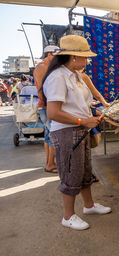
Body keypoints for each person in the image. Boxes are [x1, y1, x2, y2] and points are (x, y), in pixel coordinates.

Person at [42, 35, 111, 230]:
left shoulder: (76, 75)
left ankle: (88, 206)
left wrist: (93, 113)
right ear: (73, 57)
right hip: (67, 132)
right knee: (71, 172)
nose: (87, 61)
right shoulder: (58, 77)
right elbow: (53, 112)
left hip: (80, 129)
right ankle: (68, 216)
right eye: (85, 57)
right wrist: (83, 120)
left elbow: (78, 104)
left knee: (84, 171)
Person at [34, 45, 59, 173]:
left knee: (48, 137)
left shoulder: (43, 67)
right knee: (54, 136)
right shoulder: (42, 67)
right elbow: (43, 90)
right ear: (49, 54)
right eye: (56, 54)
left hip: (44, 106)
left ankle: (49, 163)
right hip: (46, 106)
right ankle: (50, 164)